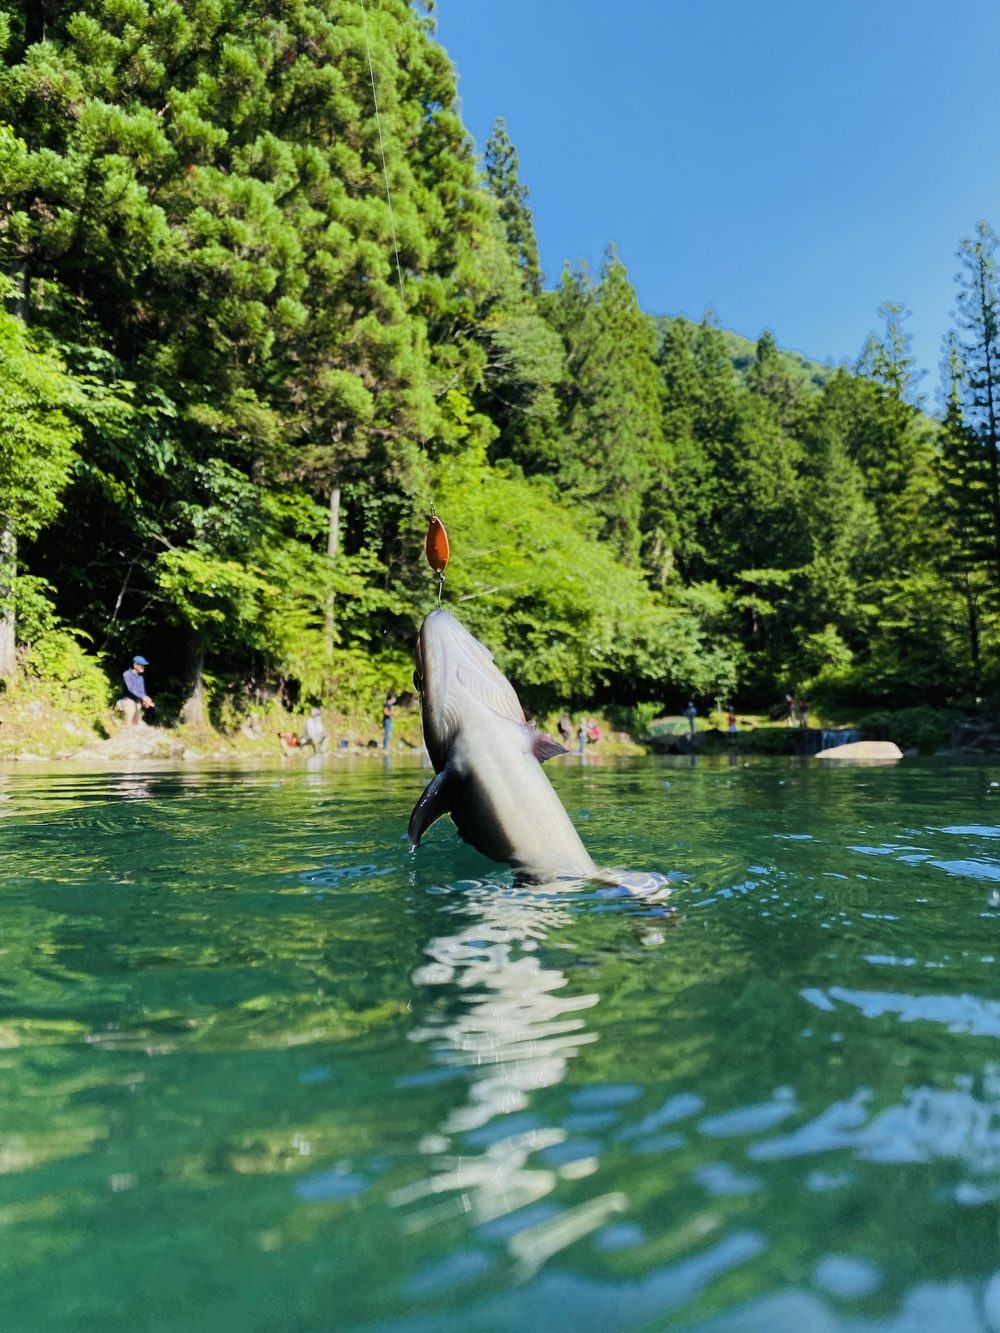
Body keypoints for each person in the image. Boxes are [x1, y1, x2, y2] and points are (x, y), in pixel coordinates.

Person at [121, 655, 153, 726]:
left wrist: (145, 700)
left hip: (137, 701)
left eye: (143, 665)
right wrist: (143, 697)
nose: (143, 667)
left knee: (136, 722)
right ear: (135, 665)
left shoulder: (141, 677)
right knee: (130, 716)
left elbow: (142, 691)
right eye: (141, 665)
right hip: (128, 700)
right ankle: (125, 734)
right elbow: (130, 688)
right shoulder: (127, 674)